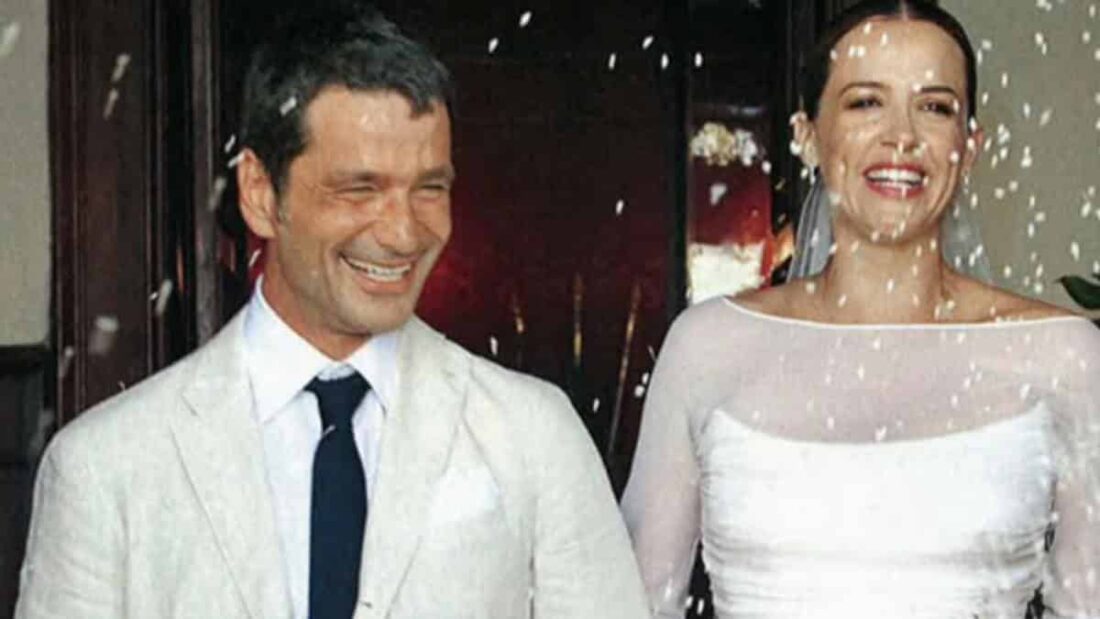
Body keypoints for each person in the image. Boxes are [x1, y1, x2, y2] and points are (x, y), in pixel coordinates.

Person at [15, 5, 648, 618]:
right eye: (359, 189)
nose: (403, 233)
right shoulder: (106, 467)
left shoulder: (533, 435)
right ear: (260, 194)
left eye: (429, 188)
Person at [621, 1, 1100, 617]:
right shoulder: (707, 347)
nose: (902, 136)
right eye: (866, 102)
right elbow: (633, 602)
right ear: (806, 135)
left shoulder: (1062, 355)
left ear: (970, 145)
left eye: (935, 107)